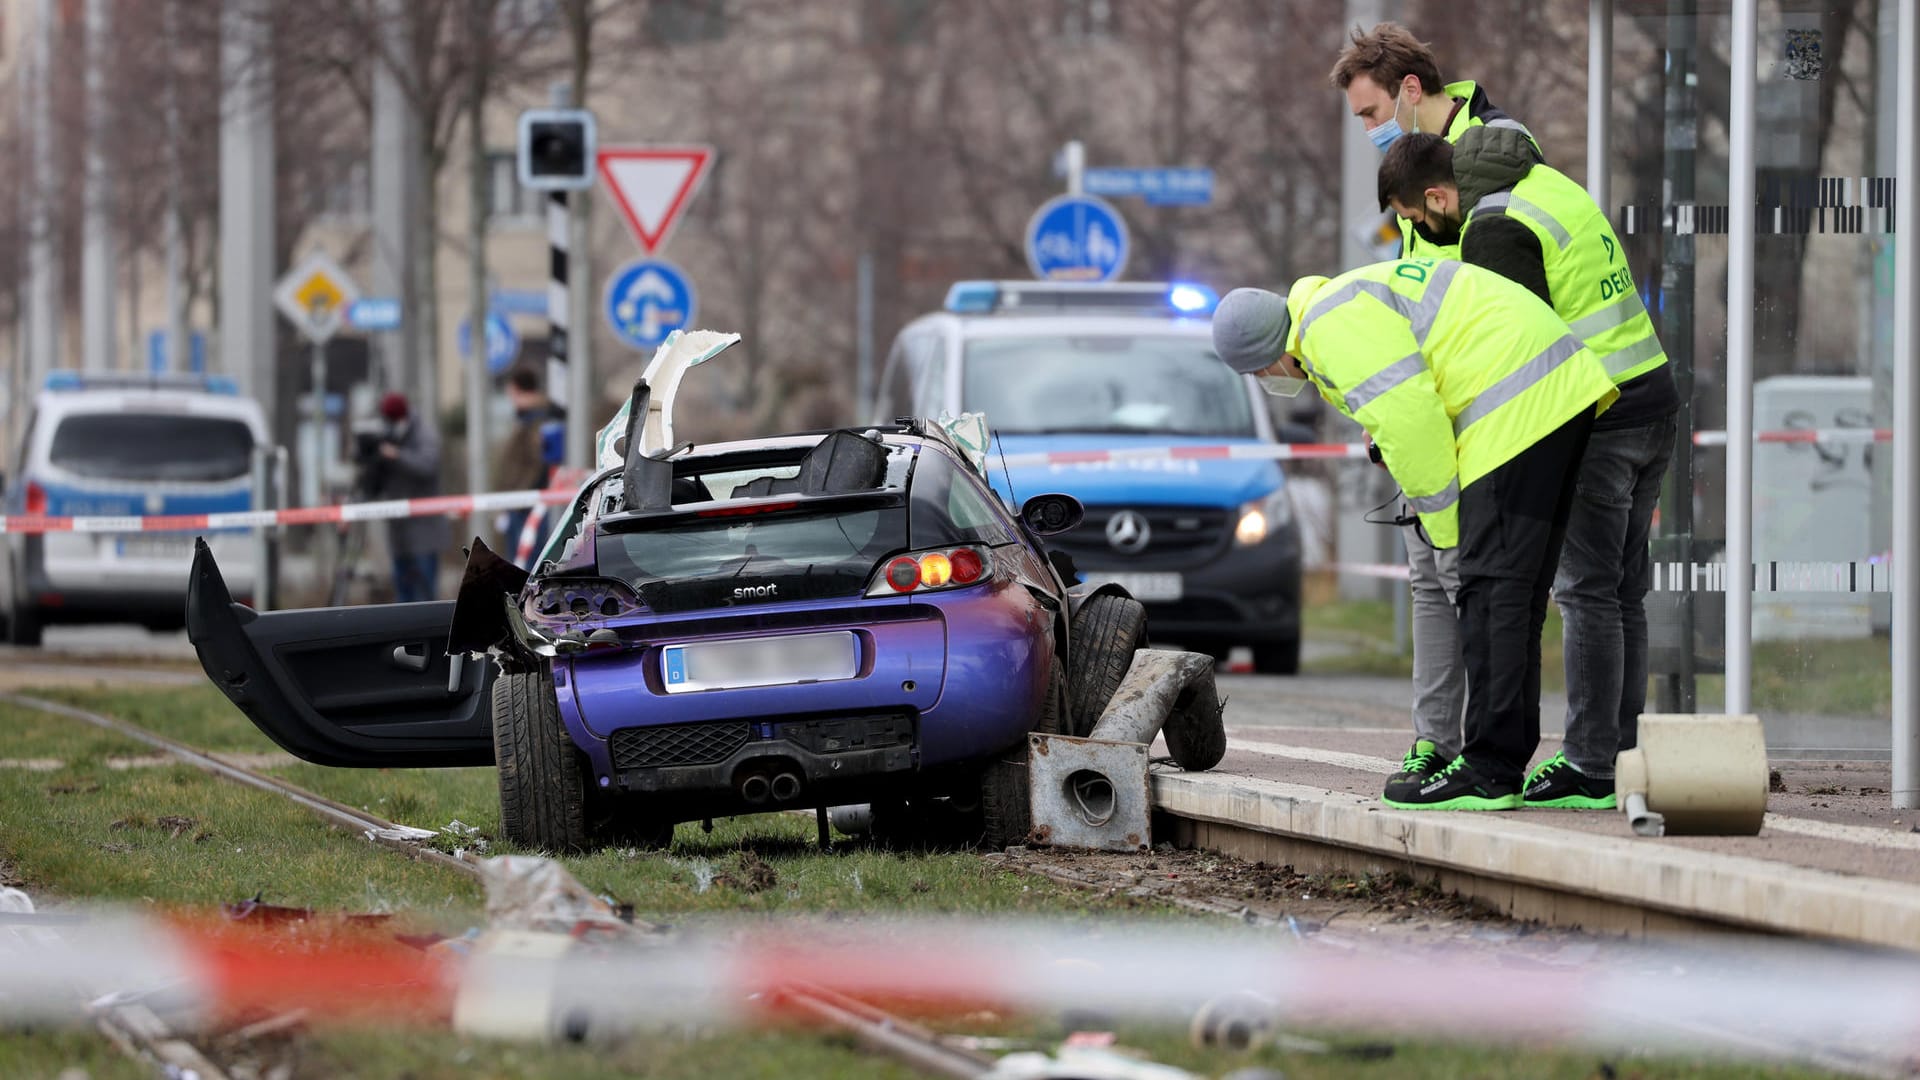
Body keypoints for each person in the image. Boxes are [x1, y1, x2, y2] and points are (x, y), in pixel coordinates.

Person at [1212, 263, 1615, 809]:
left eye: (1260, 373)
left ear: (1266, 356)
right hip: (1554, 393)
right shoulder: (1334, 310)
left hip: (1518, 408)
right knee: (1513, 596)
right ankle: (1503, 760)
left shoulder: (1331, 330)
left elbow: (1414, 427)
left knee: (1490, 590)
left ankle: (1490, 770)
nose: (1268, 381)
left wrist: (1448, 533)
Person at [1379, 129, 1679, 810]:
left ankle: (1593, 766)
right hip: (1653, 395)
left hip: (1598, 413)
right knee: (1621, 592)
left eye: (1422, 219)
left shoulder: (1493, 227)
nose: (1430, 230)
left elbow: (1510, 350)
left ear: (1435, 194)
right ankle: (1615, 757)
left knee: (1585, 593)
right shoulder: (1550, 185)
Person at [1328, 21, 1540, 794]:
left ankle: (1490, 752)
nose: (1368, 126)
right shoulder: (1409, 170)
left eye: (1370, 110)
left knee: (1474, 580)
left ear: (1409, 91)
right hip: (1430, 401)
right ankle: (1433, 740)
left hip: (1488, 402)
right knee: (1428, 576)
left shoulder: (1489, 152)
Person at [374, 391, 444, 604]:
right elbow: (376, 482)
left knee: (424, 595)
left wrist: (397, 455)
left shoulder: (424, 434)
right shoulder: (386, 435)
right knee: (403, 595)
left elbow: (428, 465)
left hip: (424, 532)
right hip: (399, 531)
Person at [493, 364, 565, 555]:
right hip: (522, 502)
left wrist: (520, 496)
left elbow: (537, 463)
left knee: (526, 562)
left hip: (527, 504)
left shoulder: (537, 421)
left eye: (511, 393)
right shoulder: (530, 420)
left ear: (518, 391)